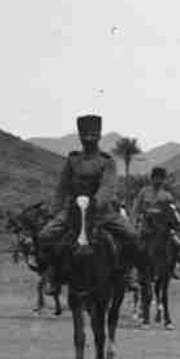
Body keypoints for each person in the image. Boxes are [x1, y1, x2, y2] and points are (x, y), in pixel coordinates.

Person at [36, 115, 138, 292]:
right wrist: (55, 210)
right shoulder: (73, 160)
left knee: (131, 235)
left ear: (99, 135)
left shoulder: (107, 161)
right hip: (72, 212)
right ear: (80, 136)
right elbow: (62, 187)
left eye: (92, 134)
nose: (88, 138)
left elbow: (107, 187)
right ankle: (52, 274)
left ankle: (127, 274)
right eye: (84, 135)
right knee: (44, 236)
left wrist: (92, 206)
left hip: (101, 213)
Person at [131, 167, 180, 279]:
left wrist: (175, 223)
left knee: (177, 243)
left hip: (163, 228)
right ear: (152, 179)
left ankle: (171, 268)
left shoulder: (167, 195)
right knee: (135, 245)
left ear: (164, 180)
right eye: (156, 178)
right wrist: (134, 221)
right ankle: (134, 272)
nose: (159, 181)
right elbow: (136, 208)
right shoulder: (144, 192)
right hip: (146, 226)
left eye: (161, 178)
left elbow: (175, 210)